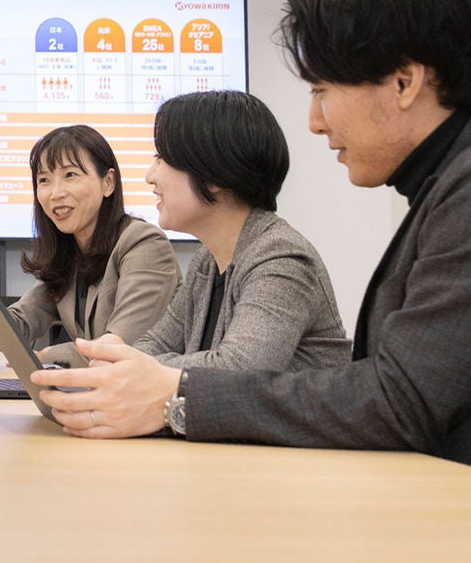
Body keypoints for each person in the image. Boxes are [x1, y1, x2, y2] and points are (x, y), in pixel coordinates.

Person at [33, 0, 471, 491]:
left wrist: (174, 397)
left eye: (322, 90)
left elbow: (400, 398)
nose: (315, 122)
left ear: (404, 82)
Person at [81, 90, 349, 376]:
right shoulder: (207, 262)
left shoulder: (281, 258)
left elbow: (238, 371)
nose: (150, 175)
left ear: (214, 176)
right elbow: (155, 342)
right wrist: (120, 357)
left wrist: (130, 364)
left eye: (161, 159)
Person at [0, 124, 178, 365]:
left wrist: (44, 356)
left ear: (108, 183)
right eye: (44, 180)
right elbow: (15, 330)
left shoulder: (144, 244)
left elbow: (120, 349)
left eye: (70, 175)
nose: (55, 192)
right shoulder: (71, 255)